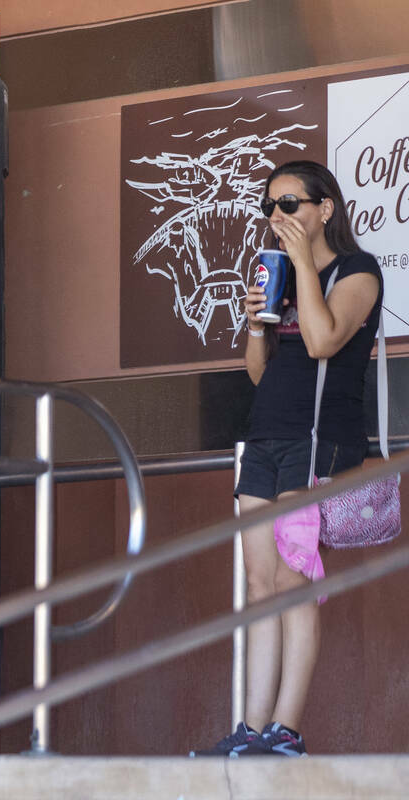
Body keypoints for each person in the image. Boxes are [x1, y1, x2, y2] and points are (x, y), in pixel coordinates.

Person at [191, 160, 382, 758]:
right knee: (259, 582)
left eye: (291, 205)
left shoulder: (357, 270)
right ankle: (251, 730)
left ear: (325, 209)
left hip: (317, 437)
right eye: (270, 207)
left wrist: (302, 264)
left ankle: (287, 730)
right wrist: (255, 326)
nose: (278, 217)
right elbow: (260, 374)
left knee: (292, 576)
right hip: (267, 435)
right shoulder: (279, 272)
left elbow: (325, 341)